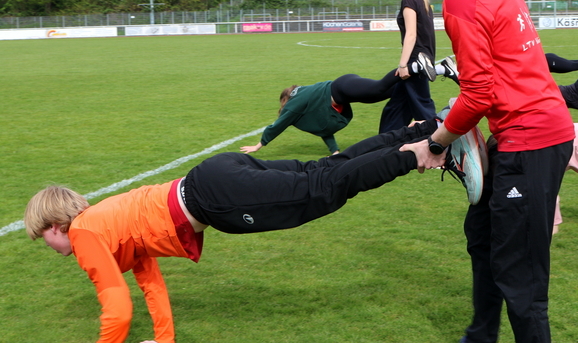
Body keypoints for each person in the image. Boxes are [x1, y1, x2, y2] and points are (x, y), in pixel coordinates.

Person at [25, 119, 484, 343]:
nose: (47, 244)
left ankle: (427, 150)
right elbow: (148, 281)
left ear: (55, 225)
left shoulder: (85, 235)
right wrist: (163, 339)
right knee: (323, 171)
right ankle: (431, 127)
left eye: (42, 236)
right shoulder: (105, 226)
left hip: (212, 198)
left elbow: (117, 311)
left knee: (322, 190)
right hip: (213, 176)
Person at [404, 0, 574, 343]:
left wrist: (436, 143)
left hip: (531, 138)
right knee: (482, 236)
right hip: (526, 133)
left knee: (521, 277)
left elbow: (478, 94)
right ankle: (481, 335)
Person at [240, 70, 405, 155]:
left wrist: (259, 145)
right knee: (385, 94)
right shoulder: (303, 98)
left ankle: (410, 66)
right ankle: (411, 84)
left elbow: (278, 125)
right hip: (344, 88)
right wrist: (335, 152)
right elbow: (323, 129)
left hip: (342, 87)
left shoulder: (293, 105)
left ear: (286, 99)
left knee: (378, 88)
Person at [379, 0, 438, 133]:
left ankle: (441, 141)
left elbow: (411, 35)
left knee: (422, 107)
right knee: (396, 107)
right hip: (423, 58)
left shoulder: (409, 0)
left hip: (415, 61)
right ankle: (386, 141)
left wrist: (403, 65)